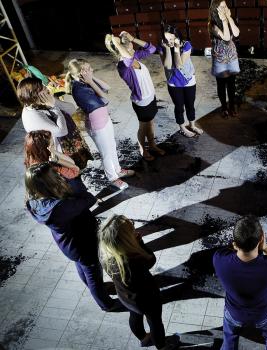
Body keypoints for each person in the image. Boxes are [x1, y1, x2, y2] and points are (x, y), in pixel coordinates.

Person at [25, 163, 120, 311]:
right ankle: (106, 304)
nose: (59, 176)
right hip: (82, 243)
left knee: (83, 267)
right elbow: (89, 199)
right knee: (93, 272)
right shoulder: (60, 207)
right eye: (54, 175)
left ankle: (96, 288)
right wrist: (74, 180)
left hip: (69, 244)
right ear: (48, 182)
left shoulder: (34, 200)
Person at [213, 215, 267, 350]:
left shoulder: (219, 260)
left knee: (229, 338)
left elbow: (228, 249)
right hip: (265, 314)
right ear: (261, 239)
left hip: (234, 313)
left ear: (236, 244)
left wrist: (235, 245)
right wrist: (265, 247)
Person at [98, 215, 169, 349]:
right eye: (131, 230)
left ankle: (143, 338)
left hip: (126, 297)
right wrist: (140, 243)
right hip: (147, 299)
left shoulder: (104, 254)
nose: (134, 230)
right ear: (125, 240)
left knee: (135, 316)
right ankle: (162, 346)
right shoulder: (133, 260)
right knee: (155, 322)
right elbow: (151, 260)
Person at [66, 59, 135, 190]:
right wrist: (90, 81)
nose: (92, 70)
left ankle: (118, 170)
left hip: (104, 119)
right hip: (97, 124)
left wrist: (91, 78)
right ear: (82, 72)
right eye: (89, 68)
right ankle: (113, 178)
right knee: (106, 153)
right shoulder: (79, 89)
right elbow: (105, 99)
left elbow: (107, 87)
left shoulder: (84, 82)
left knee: (112, 146)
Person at [105, 32, 166, 161]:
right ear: (121, 50)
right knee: (143, 127)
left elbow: (152, 49)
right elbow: (127, 58)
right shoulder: (123, 66)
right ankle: (143, 150)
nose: (130, 44)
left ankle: (152, 145)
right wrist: (116, 43)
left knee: (150, 124)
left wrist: (133, 38)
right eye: (127, 44)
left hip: (151, 97)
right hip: (142, 101)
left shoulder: (135, 56)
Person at [18, 77, 92, 169]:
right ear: (34, 94)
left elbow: (71, 109)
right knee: (72, 175)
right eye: (42, 87)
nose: (46, 88)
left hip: (71, 143)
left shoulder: (43, 101)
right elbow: (61, 131)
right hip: (60, 155)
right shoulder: (32, 114)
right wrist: (53, 107)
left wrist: (53, 101)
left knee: (78, 170)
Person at [159, 24, 203, 137]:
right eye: (167, 38)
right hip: (173, 82)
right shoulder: (162, 47)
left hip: (188, 79)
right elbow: (168, 65)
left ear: (177, 36)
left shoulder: (186, 45)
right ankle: (182, 127)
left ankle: (192, 125)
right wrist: (168, 48)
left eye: (172, 38)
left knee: (190, 104)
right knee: (179, 106)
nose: (170, 41)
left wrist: (177, 49)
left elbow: (179, 64)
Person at [209, 0, 241, 118]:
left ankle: (232, 105)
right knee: (221, 85)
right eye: (221, 7)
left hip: (231, 56)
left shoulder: (228, 18)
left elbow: (236, 33)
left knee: (231, 84)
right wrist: (224, 19)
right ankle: (224, 106)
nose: (225, 8)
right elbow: (226, 37)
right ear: (215, 9)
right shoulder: (212, 24)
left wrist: (229, 18)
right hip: (220, 58)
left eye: (225, 6)